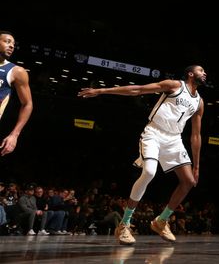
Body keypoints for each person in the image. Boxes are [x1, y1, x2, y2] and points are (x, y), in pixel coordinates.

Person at [78, 65, 206, 245]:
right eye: (201, 70)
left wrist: (197, 165)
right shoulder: (174, 85)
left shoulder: (199, 102)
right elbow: (137, 90)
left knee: (189, 182)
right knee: (150, 172)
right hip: (154, 133)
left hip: (174, 140)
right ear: (191, 74)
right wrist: (101, 90)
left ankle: (161, 221)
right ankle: (124, 224)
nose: (205, 73)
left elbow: (195, 136)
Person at [0, 31, 34, 156]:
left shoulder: (16, 72)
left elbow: (27, 104)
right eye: (7, 42)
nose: (12, 46)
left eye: (13, 44)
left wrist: (15, 134)